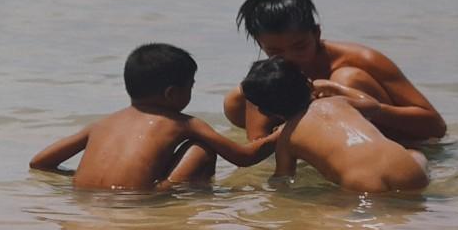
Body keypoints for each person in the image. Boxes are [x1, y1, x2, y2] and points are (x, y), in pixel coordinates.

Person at [30, 43, 279, 190]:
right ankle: (180, 197)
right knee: (202, 148)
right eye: (190, 86)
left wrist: (82, 180)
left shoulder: (103, 123)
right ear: (172, 93)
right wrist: (279, 134)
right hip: (141, 200)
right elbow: (244, 157)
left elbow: (40, 162)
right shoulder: (184, 123)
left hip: (84, 195)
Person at [224, 0, 447, 143]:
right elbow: (258, 142)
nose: (290, 58)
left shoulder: (362, 60)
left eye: (300, 46)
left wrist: (354, 104)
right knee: (238, 98)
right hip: (327, 143)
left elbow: (435, 127)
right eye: (275, 51)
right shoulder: (273, 76)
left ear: (317, 33)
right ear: (260, 44)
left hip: (389, 140)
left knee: (348, 78)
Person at [240, 56, 429, 193]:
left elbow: (283, 179)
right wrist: (335, 87)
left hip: (360, 183)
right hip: (406, 169)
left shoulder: (286, 139)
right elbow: (373, 105)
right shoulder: (338, 102)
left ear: (265, 112)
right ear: (309, 84)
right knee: (415, 154)